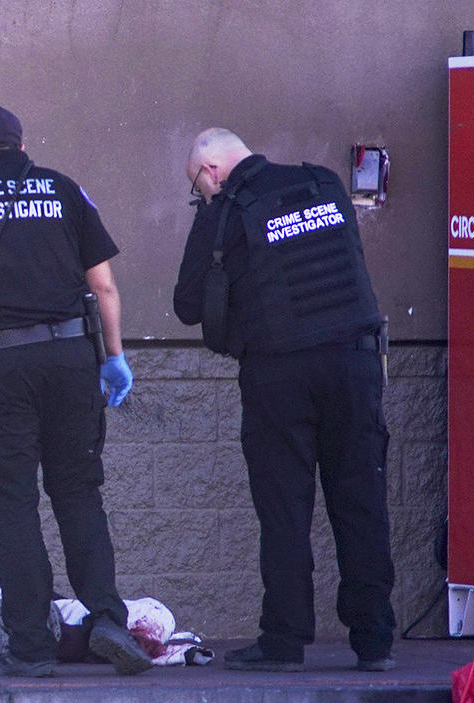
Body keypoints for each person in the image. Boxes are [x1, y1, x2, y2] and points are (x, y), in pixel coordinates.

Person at [0, 104, 150, 677]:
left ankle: (33, 647)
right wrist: (114, 358)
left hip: (0, 368)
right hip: (71, 360)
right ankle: (109, 621)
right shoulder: (64, 190)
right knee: (79, 494)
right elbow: (105, 286)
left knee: (14, 507)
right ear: (22, 145)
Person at [173, 127, 396, 672]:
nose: (202, 197)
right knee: (361, 500)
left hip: (280, 371)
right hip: (355, 360)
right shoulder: (324, 186)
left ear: (211, 172)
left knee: (284, 508)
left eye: (197, 189)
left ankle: (284, 638)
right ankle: (375, 641)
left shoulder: (223, 210)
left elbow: (186, 304)